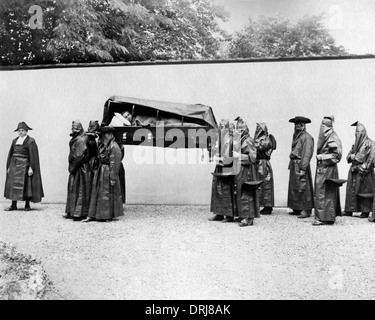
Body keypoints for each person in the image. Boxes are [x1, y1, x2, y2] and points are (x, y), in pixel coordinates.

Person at [83, 126, 124, 222]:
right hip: (101, 171)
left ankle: (106, 215)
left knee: (106, 193)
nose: (103, 137)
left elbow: (115, 164)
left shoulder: (114, 147)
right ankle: (94, 214)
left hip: (108, 172)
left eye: (105, 135)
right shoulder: (102, 145)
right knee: (97, 193)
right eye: (102, 135)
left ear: (110, 135)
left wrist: (113, 178)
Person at [4, 122, 44, 211]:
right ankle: (13, 205)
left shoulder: (30, 141)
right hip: (14, 165)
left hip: (25, 166)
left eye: (22, 130)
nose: (20, 132)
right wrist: (9, 166)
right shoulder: (14, 141)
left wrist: (31, 167)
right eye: (19, 131)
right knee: (13, 185)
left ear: (26, 131)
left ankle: (27, 205)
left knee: (26, 185)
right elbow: (11, 154)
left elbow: (32, 156)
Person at [312, 116, 343, 226]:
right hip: (323, 168)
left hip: (328, 169)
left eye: (324, 125)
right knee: (321, 192)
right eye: (322, 125)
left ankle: (324, 218)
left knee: (325, 192)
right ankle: (325, 217)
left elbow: (337, 156)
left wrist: (322, 157)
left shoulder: (332, 136)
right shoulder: (328, 136)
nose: (322, 127)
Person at [343, 121, 375, 219]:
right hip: (353, 170)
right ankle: (349, 210)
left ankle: (365, 211)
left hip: (364, 172)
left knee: (364, 191)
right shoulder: (355, 145)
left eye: (360, 132)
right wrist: (351, 157)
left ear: (364, 132)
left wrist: (361, 168)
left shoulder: (371, 144)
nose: (358, 134)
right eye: (356, 132)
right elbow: (348, 156)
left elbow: (371, 160)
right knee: (351, 191)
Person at [232, 120, 260, 226]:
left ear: (246, 129)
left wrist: (238, 156)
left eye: (241, 128)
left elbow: (252, 158)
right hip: (240, 169)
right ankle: (243, 215)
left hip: (246, 170)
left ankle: (248, 218)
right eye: (237, 128)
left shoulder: (248, 140)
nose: (239, 130)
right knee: (239, 191)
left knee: (246, 192)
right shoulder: (240, 140)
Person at [287, 116, 315, 218]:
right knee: (295, 187)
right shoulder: (297, 136)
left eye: (299, 124)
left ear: (303, 125)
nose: (296, 126)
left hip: (300, 164)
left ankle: (306, 209)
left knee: (304, 187)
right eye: (295, 124)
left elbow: (307, 153)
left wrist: (303, 167)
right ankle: (297, 208)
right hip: (295, 164)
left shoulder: (307, 137)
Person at [64, 120, 91, 220]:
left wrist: (72, 168)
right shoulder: (78, 138)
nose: (73, 131)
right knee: (74, 190)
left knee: (80, 191)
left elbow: (78, 156)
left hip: (81, 168)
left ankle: (79, 214)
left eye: (75, 129)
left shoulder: (81, 140)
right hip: (77, 168)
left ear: (79, 129)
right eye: (72, 129)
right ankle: (72, 212)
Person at [209, 119, 234, 222]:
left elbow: (228, 157)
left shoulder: (229, 139)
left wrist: (218, 158)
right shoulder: (221, 138)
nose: (220, 128)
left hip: (226, 168)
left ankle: (229, 215)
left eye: (222, 126)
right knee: (217, 190)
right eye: (219, 126)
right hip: (220, 166)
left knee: (226, 191)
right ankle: (219, 213)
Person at [254, 123, 276, 215]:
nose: (257, 130)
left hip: (263, 164)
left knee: (266, 185)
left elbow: (260, 147)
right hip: (258, 163)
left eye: (258, 128)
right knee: (259, 185)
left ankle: (268, 206)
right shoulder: (263, 139)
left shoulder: (266, 140)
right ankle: (259, 204)